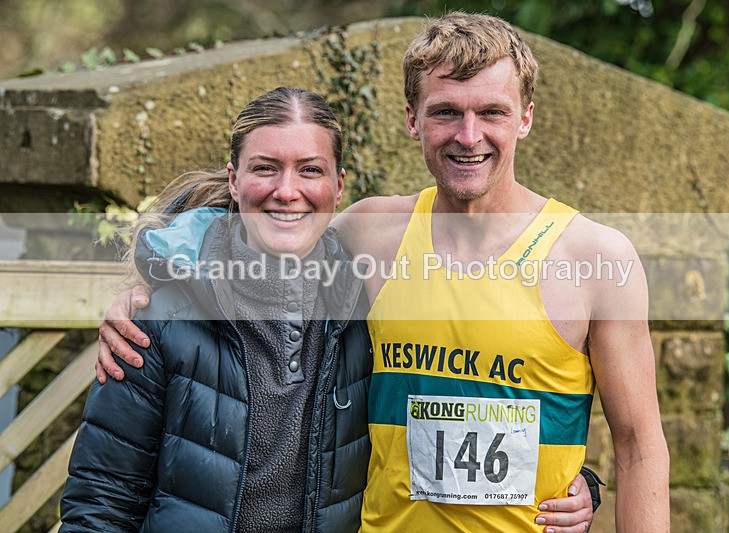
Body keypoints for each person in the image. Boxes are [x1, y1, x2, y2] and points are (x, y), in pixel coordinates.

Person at [93, 11, 661, 532]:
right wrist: (156, 284)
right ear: (412, 121)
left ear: (526, 119)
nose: (469, 136)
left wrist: (582, 481)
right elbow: (263, 232)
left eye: (492, 112)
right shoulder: (370, 234)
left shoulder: (596, 258)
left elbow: (639, 446)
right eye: (445, 112)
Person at [61, 87, 374, 532]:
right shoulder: (159, 319)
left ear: (338, 186)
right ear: (233, 180)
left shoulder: (366, 308)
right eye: (265, 168)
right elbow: (101, 503)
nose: (287, 191)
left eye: (310, 170)